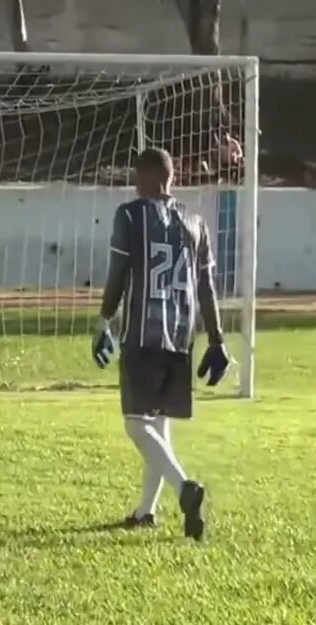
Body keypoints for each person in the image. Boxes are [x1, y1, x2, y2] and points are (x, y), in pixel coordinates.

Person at [91, 147, 230, 541]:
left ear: (148, 177)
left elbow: (119, 272)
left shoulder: (130, 215)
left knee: (137, 425)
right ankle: (145, 511)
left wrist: (104, 322)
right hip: (181, 338)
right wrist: (217, 340)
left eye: (137, 177)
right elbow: (207, 287)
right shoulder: (196, 221)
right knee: (160, 424)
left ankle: (186, 488)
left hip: (142, 333)